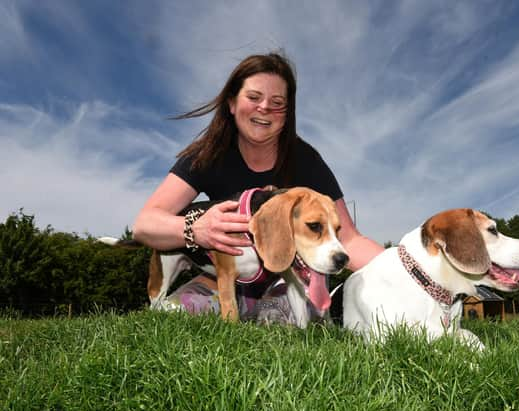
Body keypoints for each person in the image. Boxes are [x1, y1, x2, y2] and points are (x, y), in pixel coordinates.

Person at [132, 52, 383, 320]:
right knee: (173, 317)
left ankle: (280, 312)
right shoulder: (207, 155)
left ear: (287, 114)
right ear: (231, 103)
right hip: (222, 278)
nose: (264, 108)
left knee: (283, 322)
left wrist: (406, 267)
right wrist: (196, 229)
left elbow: (350, 240)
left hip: (285, 278)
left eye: (277, 102)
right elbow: (145, 225)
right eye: (253, 97)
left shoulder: (306, 160)